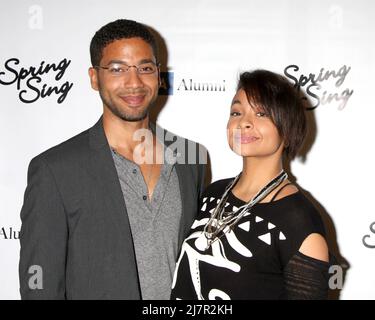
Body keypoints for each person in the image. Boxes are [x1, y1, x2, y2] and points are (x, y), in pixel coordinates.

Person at [19, 19, 206, 300]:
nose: (134, 82)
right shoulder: (55, 169)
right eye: (117, 69)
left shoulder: (190, 159)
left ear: (158, 75)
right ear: (95, 78)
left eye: (145, 68)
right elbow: (39, 285)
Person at [171, 69, 330, 300]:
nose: (244, 122)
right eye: (236, 112)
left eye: (261, 114)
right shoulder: (213, 193)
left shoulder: (299, 220)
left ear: (287, 126)